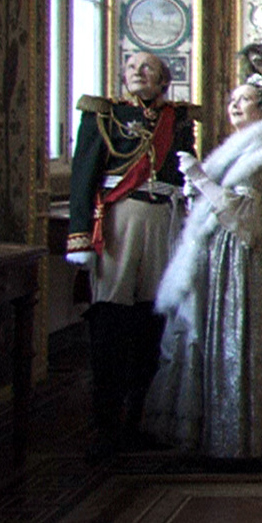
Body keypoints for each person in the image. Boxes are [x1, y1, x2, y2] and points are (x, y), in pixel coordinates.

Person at [142, 44, 262, 457]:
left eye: (242, 101)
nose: (233, 106)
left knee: (242, 335)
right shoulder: (239, 146)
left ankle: (243, 433)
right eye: (232, 100)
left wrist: (199, 180)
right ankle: (216, 427)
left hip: (245, 253)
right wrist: (199, 186)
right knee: (204, 334)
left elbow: (245, 215)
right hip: (220, 246)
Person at [65, 51, 197, 460]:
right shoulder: (104, 115)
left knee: (150, 319)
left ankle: (137, 419)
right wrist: (80, 238)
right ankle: (105, 426)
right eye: (131, 67)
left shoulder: (177, 119)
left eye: (149, 68)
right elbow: (83, 177)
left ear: (163, 80)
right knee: (110, 319)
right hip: (120, 222)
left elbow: (182, 173)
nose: (138, 72)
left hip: (163, 223)